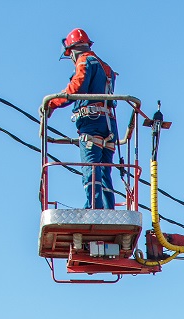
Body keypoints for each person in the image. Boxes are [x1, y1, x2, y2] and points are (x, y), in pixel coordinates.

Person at [47, 29, 118, 209]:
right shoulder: (105, 67)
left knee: (91, 167)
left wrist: (52, 103)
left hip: (92, 122)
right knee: (104, 170)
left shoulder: (85, 61)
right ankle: (108, 209)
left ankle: (93, 208)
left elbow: (76, 88)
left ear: (72, 50)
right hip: (109, 125)